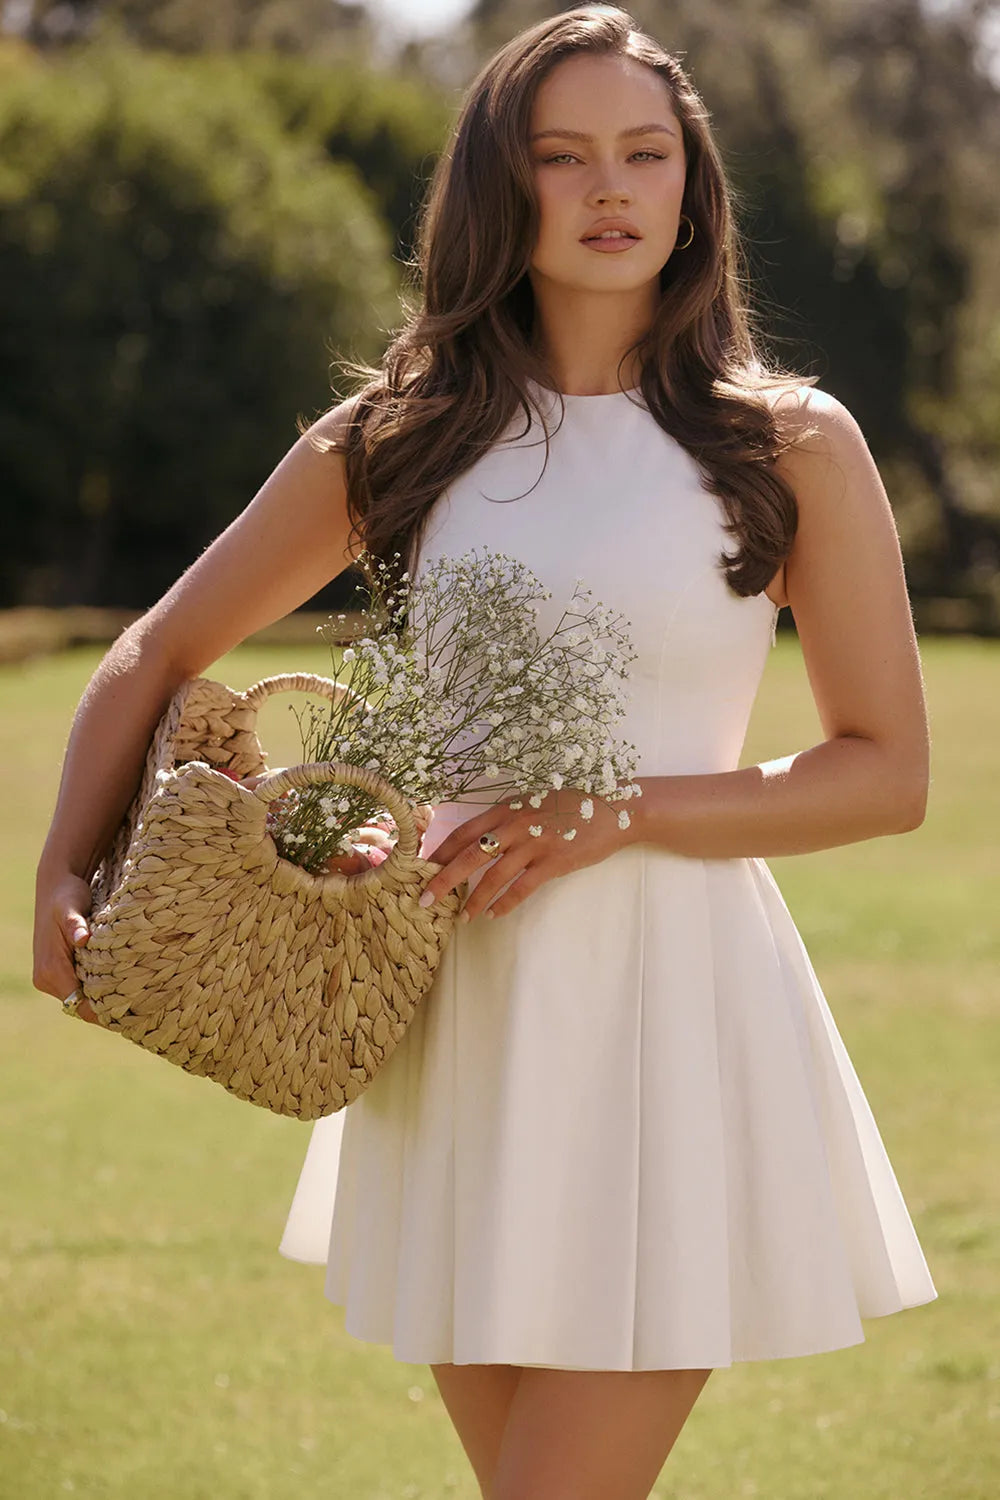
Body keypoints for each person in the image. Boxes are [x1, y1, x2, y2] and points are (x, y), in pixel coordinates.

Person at [33, 8, 938, 1498]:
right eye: (561, 156)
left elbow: (885, 773)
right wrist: (65, 866)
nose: (609, 188)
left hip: (678, 1017)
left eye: (647, 154)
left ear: (693, 191)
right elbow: (159, 649)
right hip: (449, 1019)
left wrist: (617, 810)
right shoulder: (400, 438)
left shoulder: (791, 446)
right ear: (493, 192)